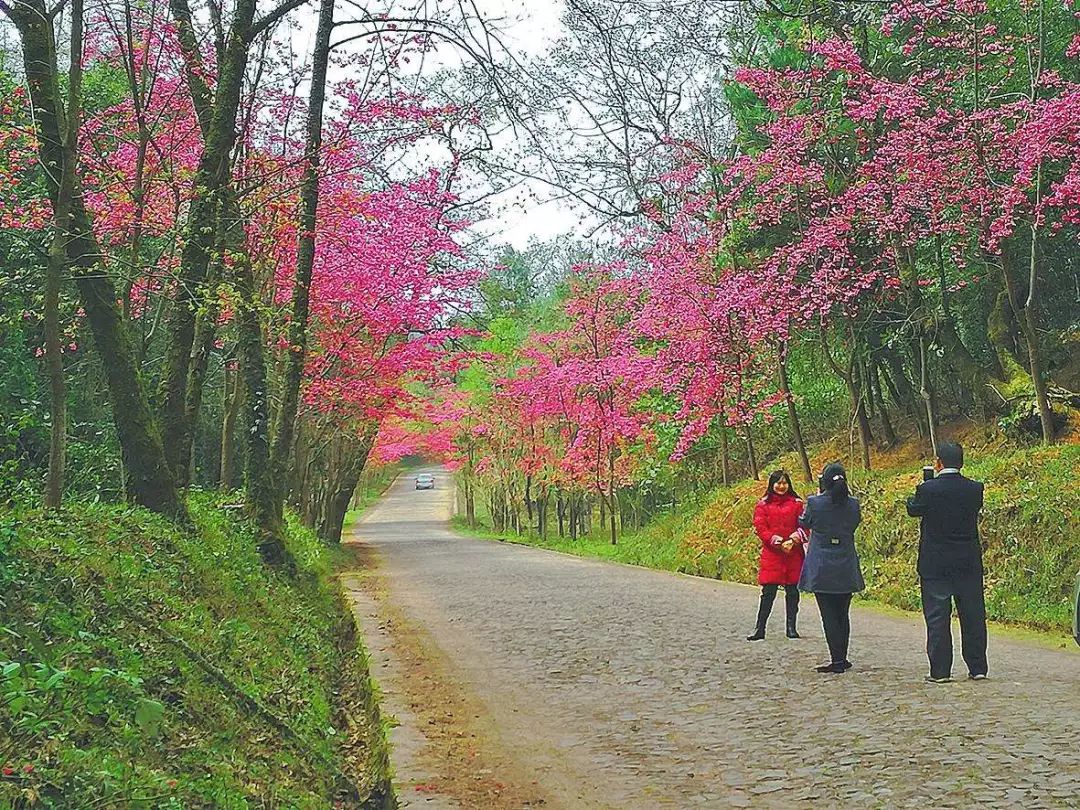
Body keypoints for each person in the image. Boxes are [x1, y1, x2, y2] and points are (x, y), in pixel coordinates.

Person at [906, 442, 988, 683]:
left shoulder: (929, 490)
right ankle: (977, 667)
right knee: (973, 613)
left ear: (938, 462)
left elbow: (914, 509)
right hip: (967, 560)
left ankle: (940, 670)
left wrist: (922, 486)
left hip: (936, 563)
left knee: (938, 616)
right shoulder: (974, 489)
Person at [798, 462, 865, 673]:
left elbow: (804, 522)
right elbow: (854, 522)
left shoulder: (815, 503)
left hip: (822, 565)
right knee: (842, 613)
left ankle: (836, 660)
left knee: (828, 614)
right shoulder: (853, 504)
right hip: (845, 563)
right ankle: (842, 656)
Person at [746, 470, 806, 641]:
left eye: (784, 483)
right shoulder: (762, 505)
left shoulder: (797, 504)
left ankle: (791, 627)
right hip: (772, 554)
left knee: (793, 591)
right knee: (768, 592)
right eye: (778, 483)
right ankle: (760, 628)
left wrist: (793, 540)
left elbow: (805, 525)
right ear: (772, 484)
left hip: (793, 553)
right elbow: (760, 527)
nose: (781, 486)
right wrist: (775, 540)